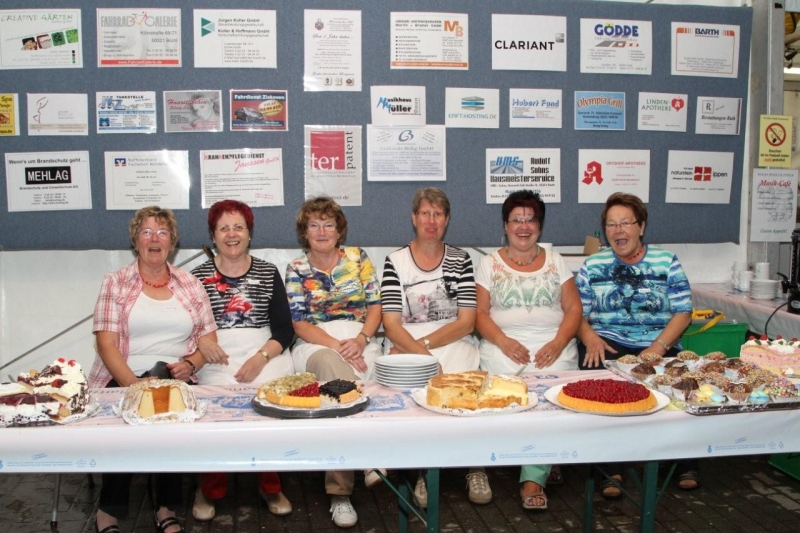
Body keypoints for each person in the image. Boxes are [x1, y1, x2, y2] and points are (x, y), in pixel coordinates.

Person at [88, 206, 218, 533]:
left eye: (162, 232)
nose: (154, 239)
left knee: (170, 403)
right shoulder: (115, 283)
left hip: (175, 377)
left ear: (172, 242)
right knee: (132, 412)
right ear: (136, 240)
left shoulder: (190, 284)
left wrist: (190, 364)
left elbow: (209, 340)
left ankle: (165, 508)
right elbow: (106, 344)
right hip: (123, 377)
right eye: (146, 232)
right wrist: (135, 386)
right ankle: (109, 510)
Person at [576, 192, 696, 496]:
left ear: (641, 226)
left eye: (626, 223)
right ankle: (610, 466)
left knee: (683, 388)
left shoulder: (666, 261)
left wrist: (657, 348)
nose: (618, 230)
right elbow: (576, 315)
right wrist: (589, 337)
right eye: (611, 225)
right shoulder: (593, 265)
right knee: (598, 392)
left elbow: (684, 312)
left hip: (659, 342)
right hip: (609, 343)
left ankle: (683, 461)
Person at [380, 187, 487, 508]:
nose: (431, 221)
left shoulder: (461, 260)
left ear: (447, 220)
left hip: (450, 339)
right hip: (404, 342)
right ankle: (423, 471)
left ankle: (474, 465)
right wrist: (424, 357)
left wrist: (423, 349)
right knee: (417, 394)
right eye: (425, 213)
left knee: (465, 380)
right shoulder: (395, 261)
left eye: (438, 214)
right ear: (414, 218)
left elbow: (466, 322)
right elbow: (392, 325)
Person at [474, 190, 581, 511]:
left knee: (550, 397)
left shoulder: (556, 261)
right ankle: (545, 458)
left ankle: (533, 478)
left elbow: (574, 308)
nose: (523, 227)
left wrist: (558, 342)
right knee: (511, 393)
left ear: (540, 226)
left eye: (530, 220)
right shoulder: (488, 264)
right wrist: (503, 341)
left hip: (553, 344)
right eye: (516, 220)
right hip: (503, 345)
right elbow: (480, 314)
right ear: (505, 225)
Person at [190, 200, 295, 521]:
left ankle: (270, 484)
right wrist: (203, 342)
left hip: (264, 350)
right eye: (223, 228)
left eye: (239, 227)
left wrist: (260, 358)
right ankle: (209, 488)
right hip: (217, 353)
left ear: (249, 233)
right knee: (215, 408)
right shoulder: (196, 277)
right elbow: (187, 325)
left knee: (269, 402)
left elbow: (285, 330)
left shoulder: (268, 271)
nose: (232, 234)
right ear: (213, 235)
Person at [284, 196, 383, 528]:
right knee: (331, 367)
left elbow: (375, 305)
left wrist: (361, 340)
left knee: (350, 383)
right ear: (305, 232)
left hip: (360, 340)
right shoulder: (296, 269)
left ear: (340, 230)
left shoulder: (358, 258)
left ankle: (344, 484)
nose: (322, 231)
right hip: (316, 343)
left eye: (328, 224)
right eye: (314, 225)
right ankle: (350, 480)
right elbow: (298, 323)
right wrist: (337, 346)